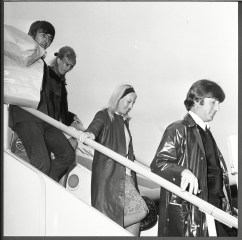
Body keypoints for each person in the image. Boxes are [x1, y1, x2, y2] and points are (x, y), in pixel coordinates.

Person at [150, 79, 237, 237]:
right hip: (193, 213)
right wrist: (182, 171)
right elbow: (158, 163)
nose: (217, 108)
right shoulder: (177, 129)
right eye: (213, 102)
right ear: (197, 101)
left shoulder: (206, 131)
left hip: (215, 211)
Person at [9, 21, 80, 182]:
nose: (47, 40)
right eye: (43, 35)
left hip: (44, 117)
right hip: (25, 114)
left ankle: (44, 186)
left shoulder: (43, 67)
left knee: (67, 155)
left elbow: (53, 101)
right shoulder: (20, 54)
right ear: (30, 34)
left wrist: (70, 118)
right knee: (42, 162)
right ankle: (34, 197)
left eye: (50, 38)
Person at [83, 84, 148, 236]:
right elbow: (95, 127)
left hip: (126, 175)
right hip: (113, 175)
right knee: (141, 210)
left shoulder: (123, 122)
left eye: (133, 103)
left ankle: (109, 225)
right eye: (128, 101)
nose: (131, 106)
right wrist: (90, 134)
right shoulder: (105, 115)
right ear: (118, 99)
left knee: (135, 221)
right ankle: (106, 224)